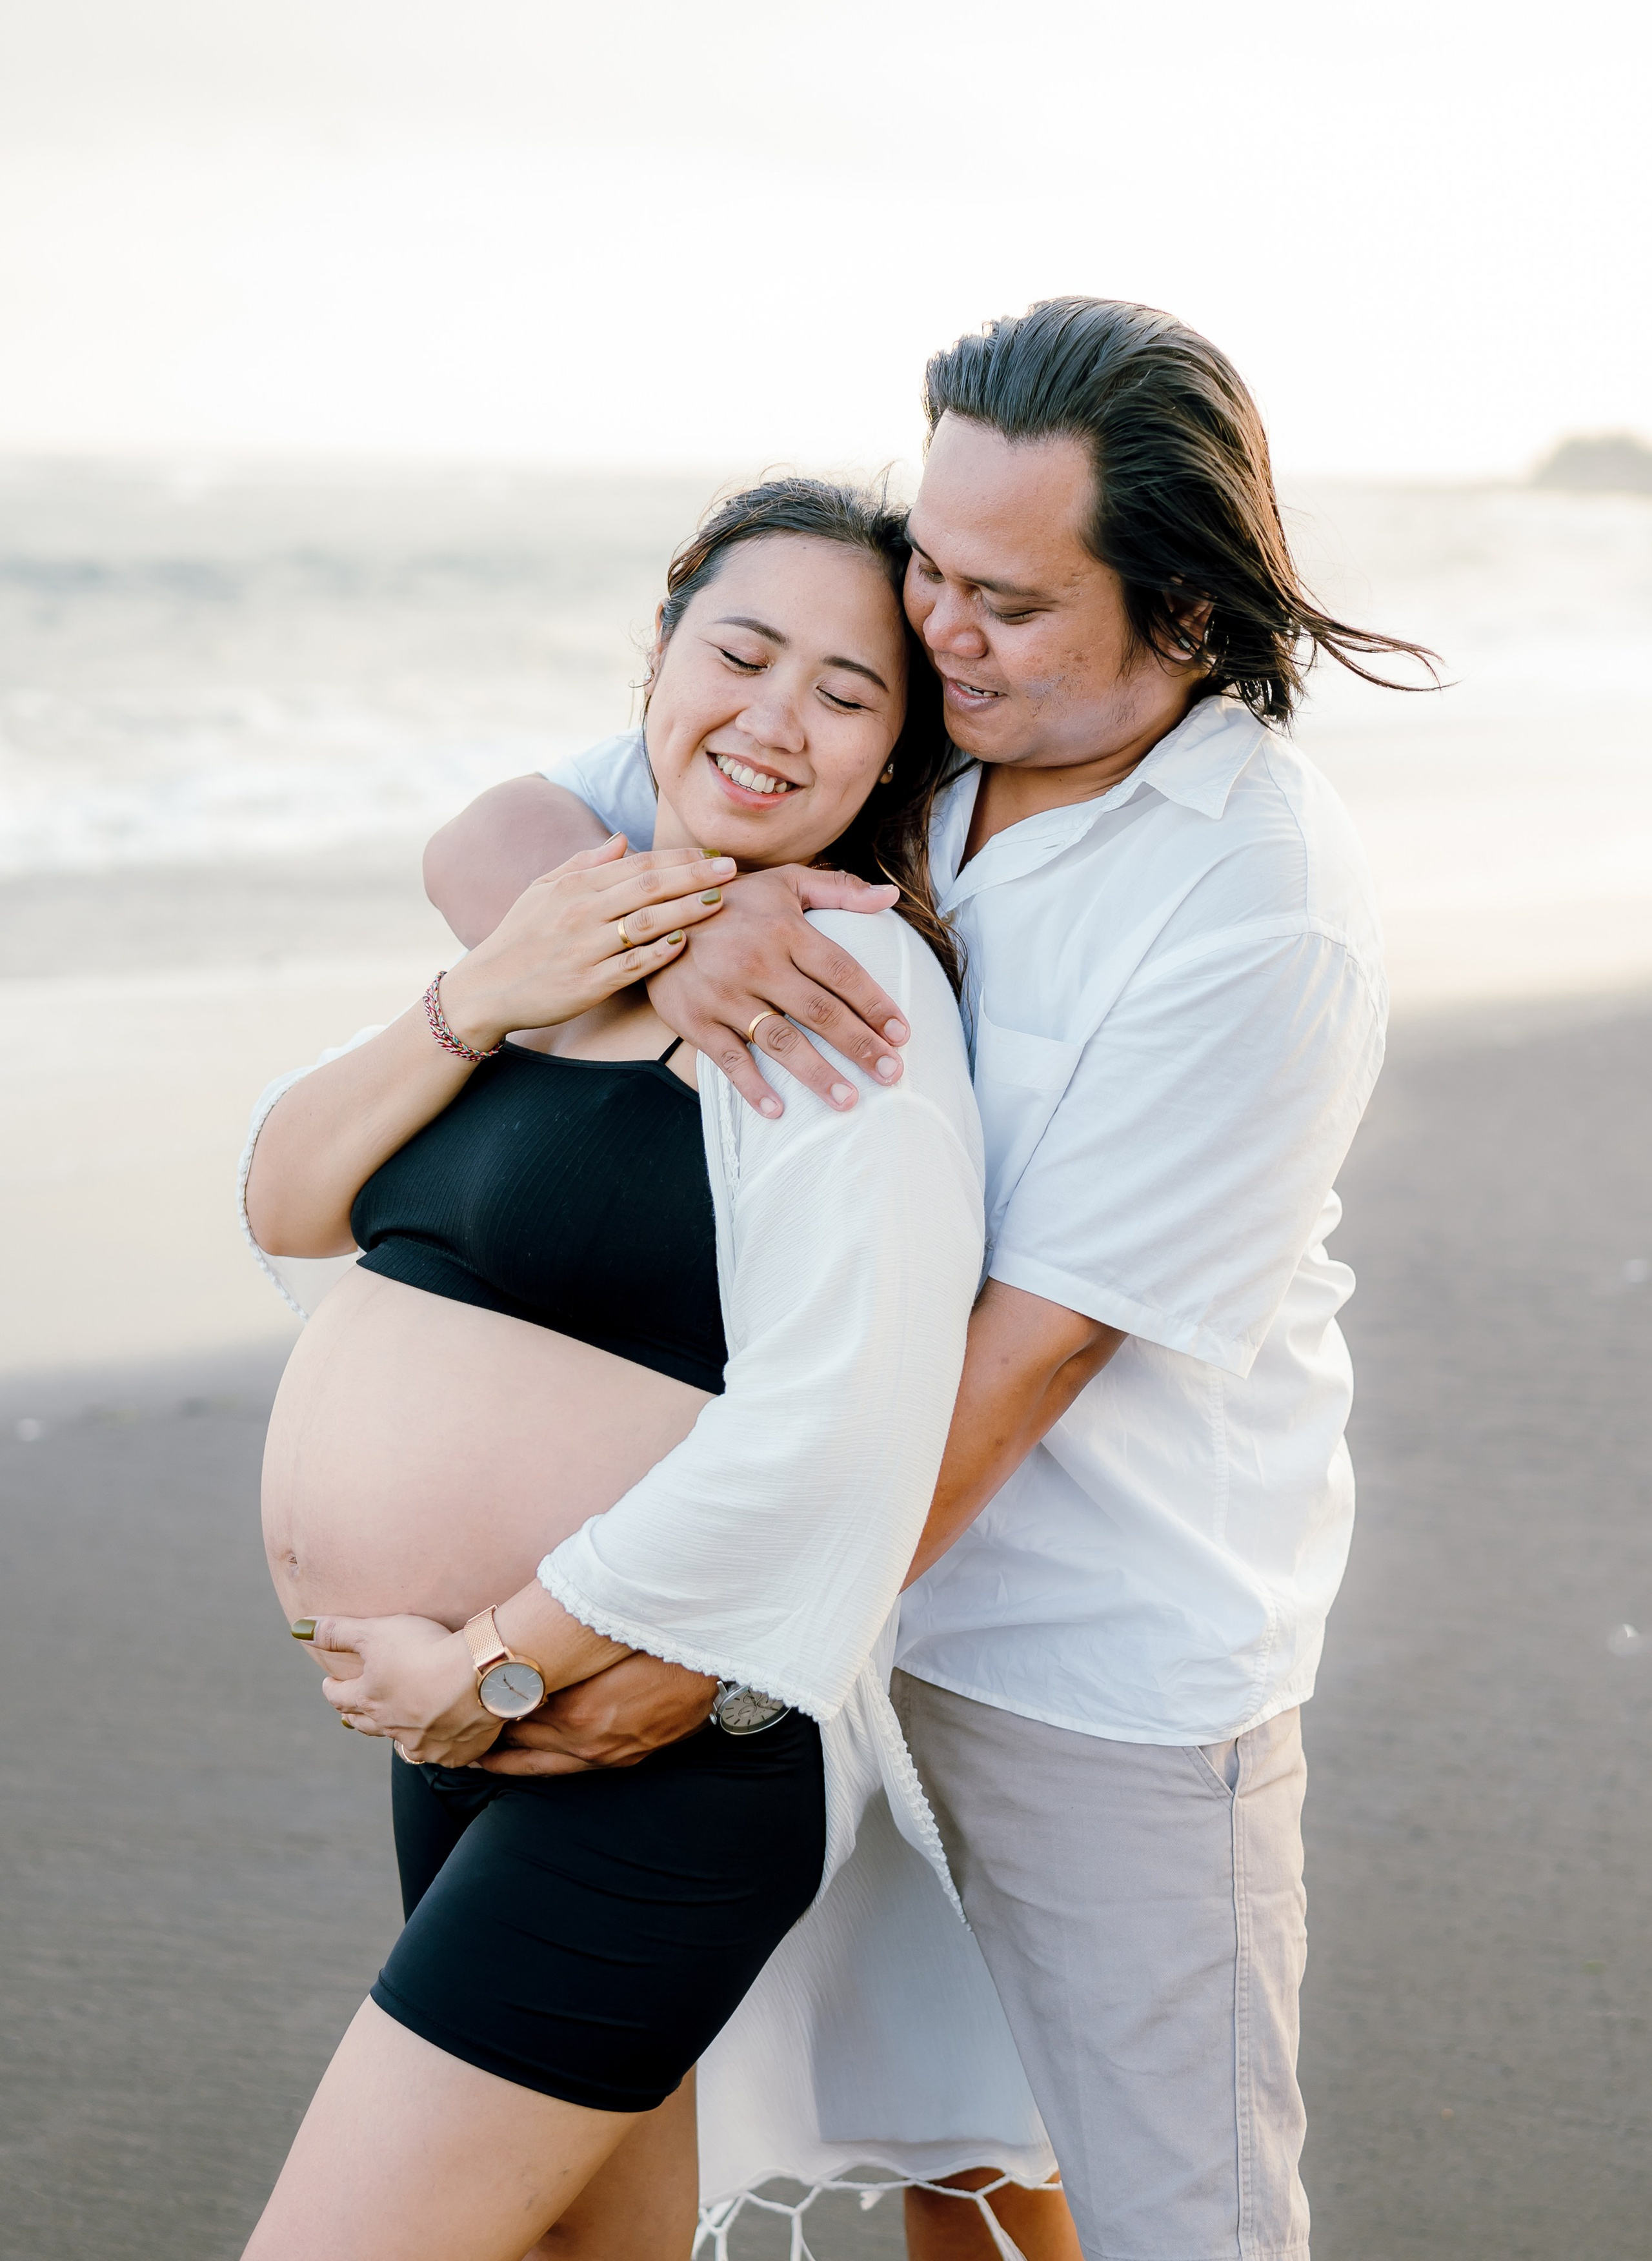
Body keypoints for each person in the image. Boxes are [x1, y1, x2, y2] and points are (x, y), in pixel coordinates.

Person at [426, 298, 1437, 2260]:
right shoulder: (914, 729)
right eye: (930, 567)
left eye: (1008, 596)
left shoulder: (1253, 909)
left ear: (1192, 615)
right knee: (952, 2150)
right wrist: (669, 945)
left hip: (1093, 1659)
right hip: (833, 1603)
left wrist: (680, 1656)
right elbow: (500, 833)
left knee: (1180, 2218)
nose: (940, 625)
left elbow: (1022, 1362)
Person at [236, 478, 1072, 2261]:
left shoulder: (842, 991)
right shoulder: (584, 927)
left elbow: (834, 1443)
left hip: (648, 1759)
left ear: (891, 764)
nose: (775, 717)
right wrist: (486, 986)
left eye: (847, 696)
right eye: (743, 652)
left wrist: (490, 1665)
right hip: (465, 1737)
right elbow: (292, 1198)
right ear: (663, 650)